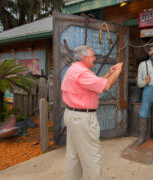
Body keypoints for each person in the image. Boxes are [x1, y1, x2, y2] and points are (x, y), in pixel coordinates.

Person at [61, 46, 122, 180]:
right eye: (93, 56)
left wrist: (109, 74)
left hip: (72, 116)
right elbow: (106, 86)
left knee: (74, 156)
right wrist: (117, 72)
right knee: (92, 158)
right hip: (82, 119)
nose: (95, 58)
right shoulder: (82, 72)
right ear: (85, 58)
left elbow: (93, 83)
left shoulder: (74, 69)